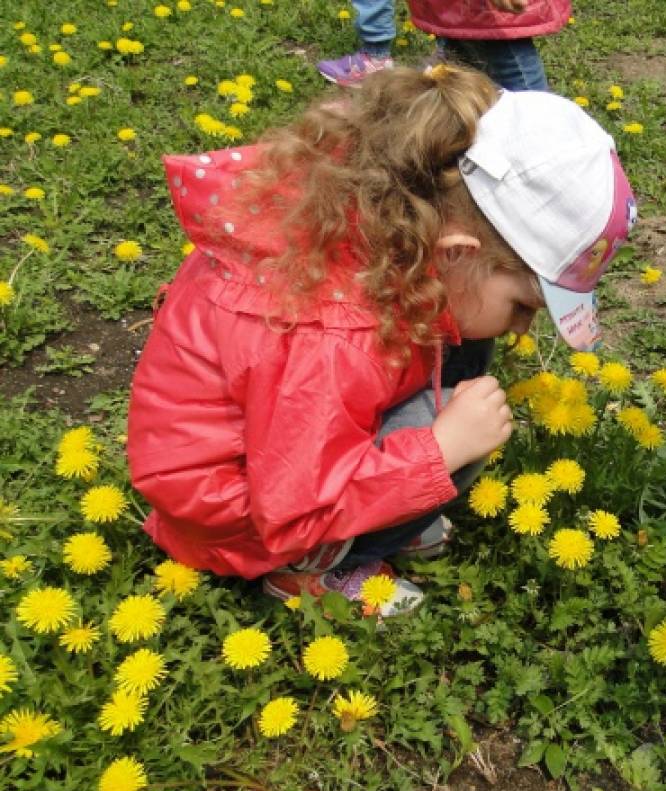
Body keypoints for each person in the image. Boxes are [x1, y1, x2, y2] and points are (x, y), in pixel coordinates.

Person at [127, 65, 636, 614]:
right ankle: (310, 571)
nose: (522, 328)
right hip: (246, 515)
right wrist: (440, 453)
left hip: (276, 453)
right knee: (457, 426)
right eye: (523, 305)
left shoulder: (377, 216)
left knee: (466, 345)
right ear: (457, 252)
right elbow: (292, 509)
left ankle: (381, 511)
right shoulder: (327, 337)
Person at [317, 0, 569, 92]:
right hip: (457, 10)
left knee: (517, 76)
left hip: (488, 12)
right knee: (464, 58)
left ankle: (549, 151)